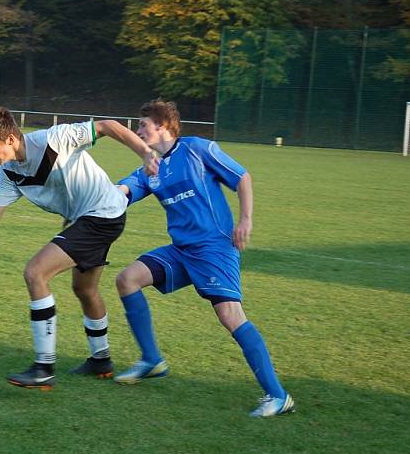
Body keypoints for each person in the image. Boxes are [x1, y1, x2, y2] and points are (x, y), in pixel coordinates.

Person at [113, 99, 295, 418]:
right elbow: (125, 190)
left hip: (213, 248)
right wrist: (99, 193)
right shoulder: (150, 165)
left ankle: (278, 396)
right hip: (181, 250)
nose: (137, 130)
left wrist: (246, 220)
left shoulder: (198, 149)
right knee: (127, 279)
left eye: (143, 125)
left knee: (230, 316)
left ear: (164, 127)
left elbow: (242, 178)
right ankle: (152, 360)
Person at [0, 105, 158, 389]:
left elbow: (106, 125)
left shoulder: (54, 139)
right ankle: (101, 359)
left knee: (36, 273)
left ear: (10, 139)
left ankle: (43, 366)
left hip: (103, 214)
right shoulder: (9, 173)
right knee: (84, 289)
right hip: (93, 218)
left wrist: (145, 152)